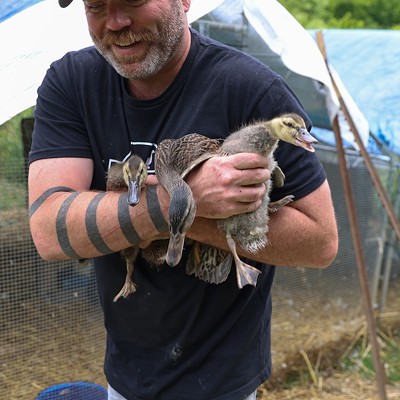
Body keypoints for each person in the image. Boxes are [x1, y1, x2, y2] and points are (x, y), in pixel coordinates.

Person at [28, 0, 338, 399]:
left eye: (133, 1)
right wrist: (186, 200)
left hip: (222, 383)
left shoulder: (249, 89)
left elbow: (321, 242)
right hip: (124, 370)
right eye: (97, 6)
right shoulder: (72, 81)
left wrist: (137, 216)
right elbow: (49, 232)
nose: (116, 21)